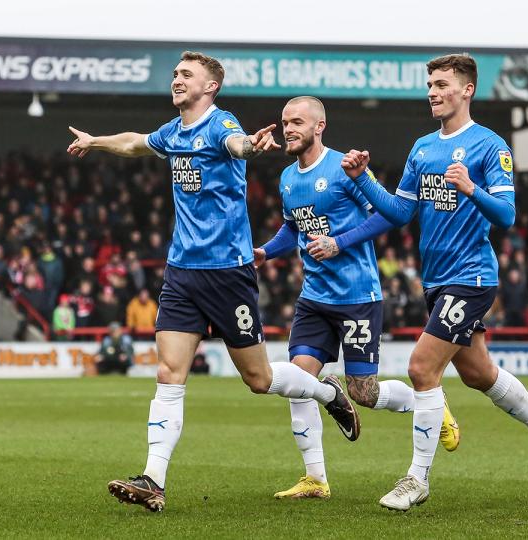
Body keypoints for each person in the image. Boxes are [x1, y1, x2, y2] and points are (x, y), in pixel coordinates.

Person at [67, 51, 361, 512]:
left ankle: (327, 391)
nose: (177, 79)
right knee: (169, 374)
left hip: (227, 273)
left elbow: (236, 145)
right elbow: (135, 143)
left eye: (187, 74)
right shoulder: (173, 131)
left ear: (210, 87)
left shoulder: (222, 124)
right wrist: (95, 141)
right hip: (182, 272)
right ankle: (153, 480)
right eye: (175, 73)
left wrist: (251, 146)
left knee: (259, 379)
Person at [343, 53, 528, 511]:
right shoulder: (422, 148)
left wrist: (472, 188)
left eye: (442, 84)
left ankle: (417, 479)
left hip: (471, 277)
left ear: (467, 90)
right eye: (430, 84)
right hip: (436, 280)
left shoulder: (490, 146)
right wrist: (362, 179)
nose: (433, 91)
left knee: (421, 368)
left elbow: (506, 215)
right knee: (477, 372)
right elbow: (401, 212)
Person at [255, 96, 459, 500]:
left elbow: (388, 214)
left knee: (364, 393)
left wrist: (339, 242)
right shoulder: (288, 178)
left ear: (319, 126)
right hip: (314, 297)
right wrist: (266, 251)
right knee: (299, 379)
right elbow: (293, 228)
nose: (288, 129)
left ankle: (431, 404)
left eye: (297, 122)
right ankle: (315, 478)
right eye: (285, 122)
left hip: (357, 297)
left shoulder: (344, 168)